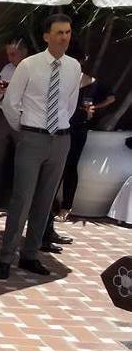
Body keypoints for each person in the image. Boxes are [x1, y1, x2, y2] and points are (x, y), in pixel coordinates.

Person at [0, 14, 81, 280]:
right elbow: (10, 103)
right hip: (32, 136)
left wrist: (59, 127)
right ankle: (6, 257)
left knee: (45, 200)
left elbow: (70, 104)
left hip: (61, 138)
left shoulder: (74, 66)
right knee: (22, 199)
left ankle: (30, 254)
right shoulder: (29, 65)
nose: (64, 37)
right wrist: (24, 129)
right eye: (59, 32)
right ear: (46, 36)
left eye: (67, 32)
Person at [39, 53, 115, 252]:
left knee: (66, 169)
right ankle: (43, 233)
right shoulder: (57, 79)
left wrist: (92, 109)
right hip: (55, 133)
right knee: (50, 180)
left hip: (73, 131)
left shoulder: (85, 82)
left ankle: (49, 229)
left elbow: (108, 97)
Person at [0, 38, 29, 208]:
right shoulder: (7, 69)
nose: (10, 58)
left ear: (24, 52)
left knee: (24, 159)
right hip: (4, 115)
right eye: (8, 54)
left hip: (24, 116)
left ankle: (21, 199)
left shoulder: (33, 68)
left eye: (13, 54)